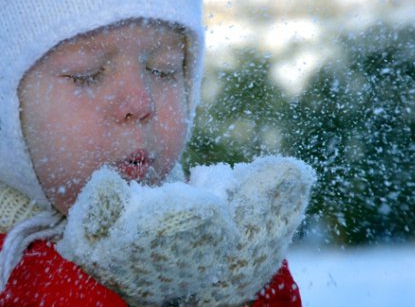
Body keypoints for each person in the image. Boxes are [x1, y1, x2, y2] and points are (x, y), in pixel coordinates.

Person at [0, 1, 306, 306]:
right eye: (87, 74)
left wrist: (243, 290)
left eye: (163, 69)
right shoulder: (10, 270)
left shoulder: (209, 236)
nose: (140, 102)